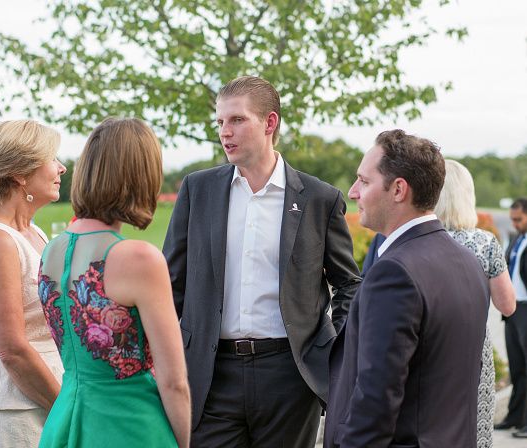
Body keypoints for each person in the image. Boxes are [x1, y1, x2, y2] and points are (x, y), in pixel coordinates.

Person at [163, 75, 361, 447]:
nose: (225, 132)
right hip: (210, 374)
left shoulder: (320, 199)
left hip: (290, 376)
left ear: (270, 123)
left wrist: (335, 350)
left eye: (237, 120)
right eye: (220, 122)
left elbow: (349, 282)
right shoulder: (197, 189)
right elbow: (172, 283)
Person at [325, 130, 490, 448]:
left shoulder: (394, 272)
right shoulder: (468, 263)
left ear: (398, 189)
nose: (353, 191)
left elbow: (376, 399)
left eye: (364, 180)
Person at [38, 117, 190, 448]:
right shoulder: (138, 258)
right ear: (141, 175)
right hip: (129, 425)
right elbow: (174, 380)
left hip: (66, 422)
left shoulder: (52, 250)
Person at [0, 120, 65, 447]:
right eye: (52, 159)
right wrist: (66, 410)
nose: (61, 168)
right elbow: (12, 349)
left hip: (46, 396)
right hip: (12, 412)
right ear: (21, 174)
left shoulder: (36, 234)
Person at [435, 159, 515, 446]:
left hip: (426, 349)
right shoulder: (485, 242)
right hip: (472, 353)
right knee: (473, 432)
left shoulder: (418, 239)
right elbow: (507, 305)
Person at [496, 198, 527, 438]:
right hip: (514, 311)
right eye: (513, 219)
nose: (515, 223)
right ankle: (514, 417)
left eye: (519, 219)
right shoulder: (517, 239)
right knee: (517, 368)